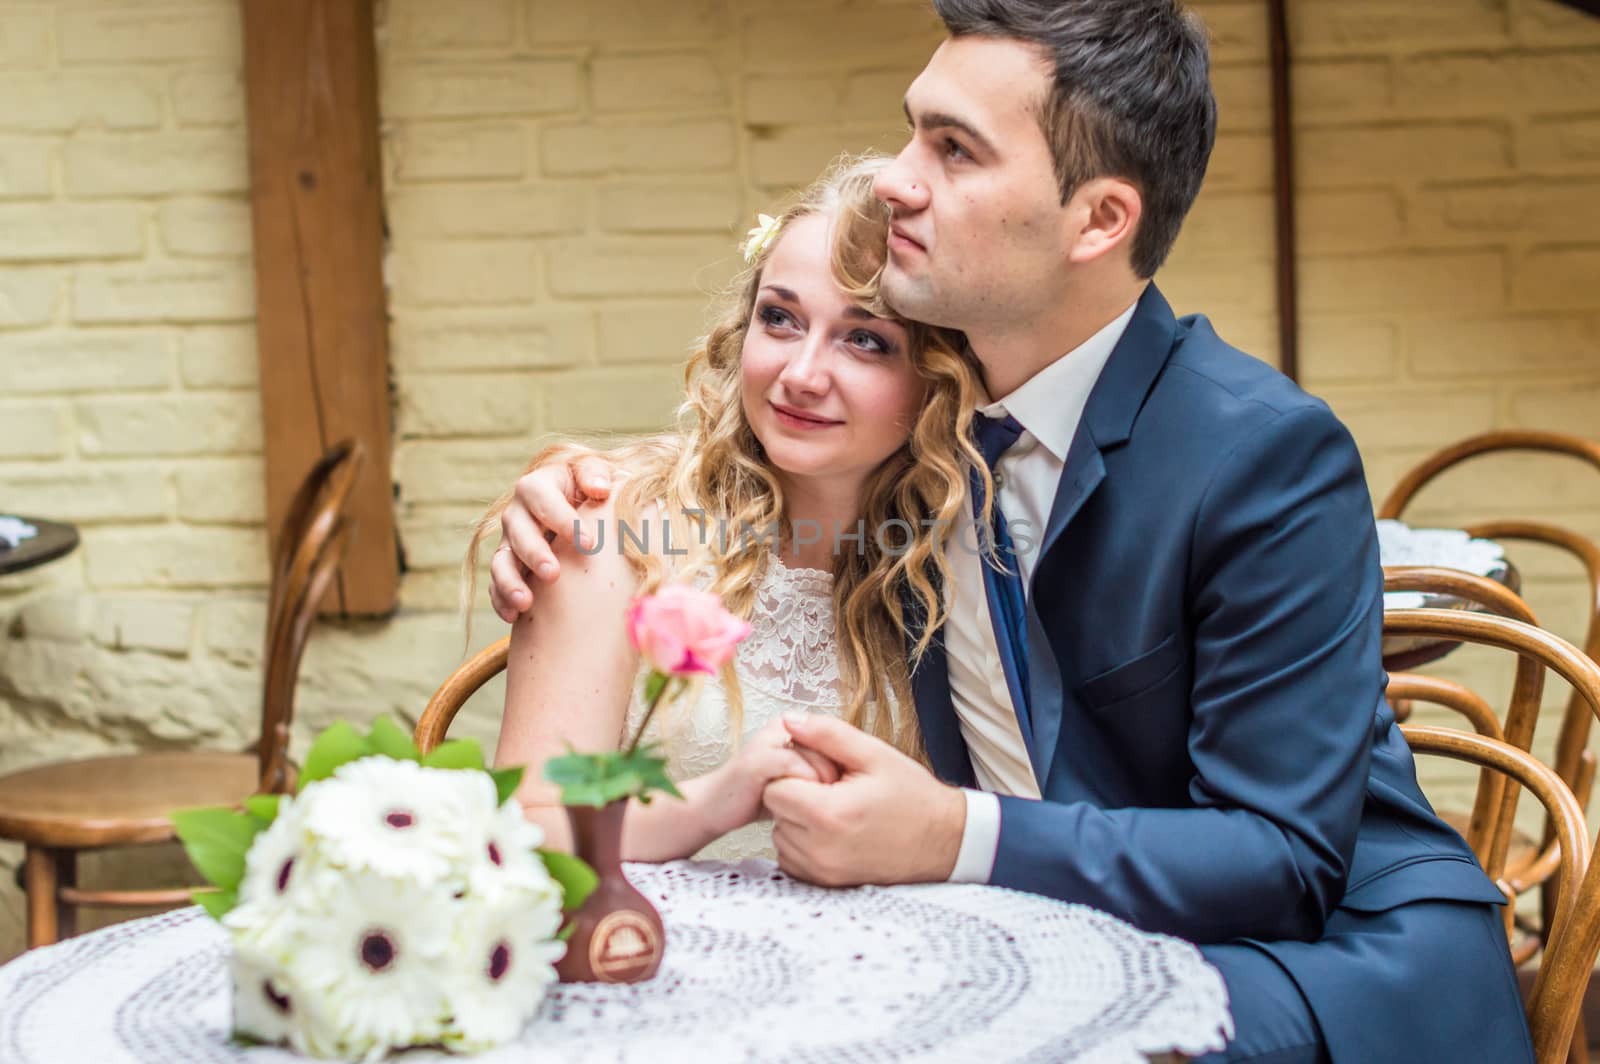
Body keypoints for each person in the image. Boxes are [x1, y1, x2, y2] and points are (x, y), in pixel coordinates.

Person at [486, 4, 1535, 1062]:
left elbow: (1283, 858)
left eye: (953, 149)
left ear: (1096, 222)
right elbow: (742, 495)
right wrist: (573, 489)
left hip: (1315, 956)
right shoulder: (922, 449)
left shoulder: (1257, 452)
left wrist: (952, 833)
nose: (899, 178)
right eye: (913, 132)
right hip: (992, 932)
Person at [466, 155, 990, 865]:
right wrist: (715, 804)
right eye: (779, 319)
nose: (800, 376)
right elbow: (526, 827)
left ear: (941, 376)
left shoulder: (973, 559)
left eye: (865, 339)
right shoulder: (612, 529)